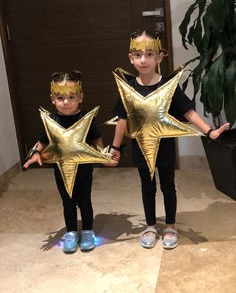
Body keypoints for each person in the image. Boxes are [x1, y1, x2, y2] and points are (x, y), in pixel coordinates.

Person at [109, 30, 229, 250]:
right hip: (140, 149)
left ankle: (171, 226)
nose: (143, 59)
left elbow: (188, 112)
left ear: (159, 57)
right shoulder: (128, 88)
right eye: (137, 54)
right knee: (147, 187)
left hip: (164, 149)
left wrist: (209, 131)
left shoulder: (168, 86)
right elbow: (122, 120)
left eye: (149, 54)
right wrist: (115, 147)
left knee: (167, 186)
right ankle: (151, 225)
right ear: (130, 58)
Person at [23, 70, 104, 253]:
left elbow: (97, 139)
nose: (66, 102)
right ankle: (71, 232)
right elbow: (43, 141)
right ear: (52, 99)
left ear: (80, 97)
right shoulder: (51, 121)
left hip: (84, 171)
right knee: (67, 202)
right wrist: (36, 153)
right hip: (60, 171)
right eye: (60, 98)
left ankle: (88, 231)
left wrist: (103, 155)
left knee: (84, 201)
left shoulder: (86, 119)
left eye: (71, 97)